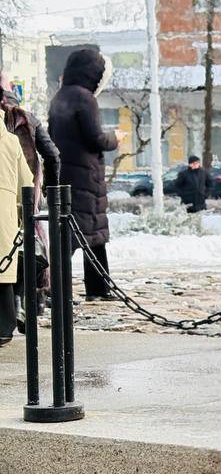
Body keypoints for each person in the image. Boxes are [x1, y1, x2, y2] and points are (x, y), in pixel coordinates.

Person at [47, 47, 117, 301]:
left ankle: (93, 288)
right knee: (84, 235)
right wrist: (115, 138)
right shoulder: (85, 98)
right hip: (86, 177)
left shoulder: (60, 97)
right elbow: (95, 138)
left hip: (66, 174)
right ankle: (88, 289)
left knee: (87, 235)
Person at [2, 78, 58, 316]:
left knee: (13, 249)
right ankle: (28, 304)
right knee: (27, 248)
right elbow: (52, 155)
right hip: (25, 195)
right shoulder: (27, 120)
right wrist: (51, 191)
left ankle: (16, 306)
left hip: (12, 196)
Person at [0, 120, 33, 346]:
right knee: (2, 274)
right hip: (5, 215)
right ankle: (3, 327)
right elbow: (26, 183)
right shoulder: (11, 142)